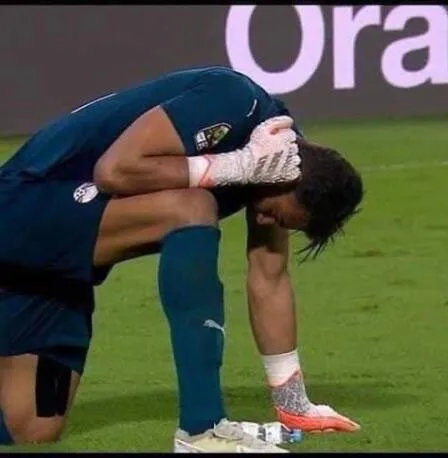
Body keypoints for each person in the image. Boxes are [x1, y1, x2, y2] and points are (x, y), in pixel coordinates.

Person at [0, 66, 364, 453]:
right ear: (288, 178)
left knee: (32, 427)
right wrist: (236, 165)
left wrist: (293, 404)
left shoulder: (278, 165)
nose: (263, 221)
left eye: (280, 224)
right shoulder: (233, 102)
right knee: (192, 208)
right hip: (23, 206)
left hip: (58, 269)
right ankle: (203, 430)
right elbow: (114, 170)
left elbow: (269, 273)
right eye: (275, 214)